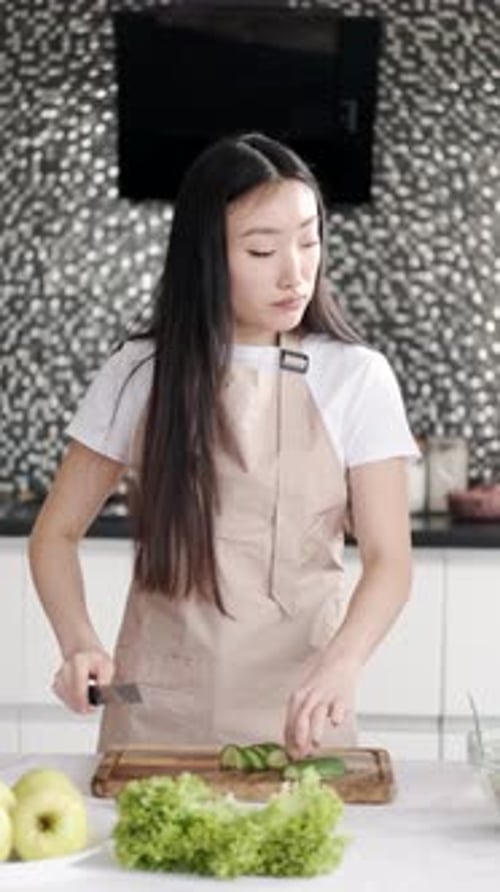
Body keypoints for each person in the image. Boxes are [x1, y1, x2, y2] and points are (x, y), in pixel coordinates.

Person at [29, 132, 418, 760]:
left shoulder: (356, 376)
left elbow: (389, 560)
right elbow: (55, 534)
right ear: (206, 255)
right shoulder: (140, 371)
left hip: (303, 711)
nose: (295, 271)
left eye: (309, 240)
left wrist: (344, 663)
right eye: (262, 249)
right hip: (153, 712)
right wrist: (79, 645)